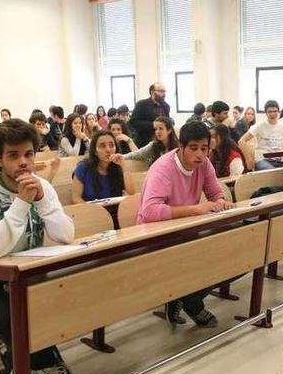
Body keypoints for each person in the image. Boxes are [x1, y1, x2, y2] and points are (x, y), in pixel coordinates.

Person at [0, 119, 74, 374]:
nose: (23, 162)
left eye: (28, 154)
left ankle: (13, 355)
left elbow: (65, 234)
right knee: (19, 324)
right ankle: (41, 361)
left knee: (58, 308)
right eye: (13, 156)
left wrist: (42, 201)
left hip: (28, 270)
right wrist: (22, 203)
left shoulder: (42, 187)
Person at [137, 120, 233, 327]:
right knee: (209, 256)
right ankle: (191, 303)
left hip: (185, 230)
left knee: (233, 251)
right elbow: (150, 211)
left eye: (204, 149)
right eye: (194, 148)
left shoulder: (204, 164)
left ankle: (187, 298)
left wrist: (221, 202)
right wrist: (196, 209)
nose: (200, 154)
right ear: (181, 147)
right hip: (154, 235)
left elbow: (215, 193)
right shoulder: (162, 168)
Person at [71, 131, 134, 203]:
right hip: (91, 211)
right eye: (102, 146)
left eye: (111, 145)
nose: (108, 150)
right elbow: (76, 198)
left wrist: (124, 166)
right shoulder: (83, 168)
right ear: (95, 151)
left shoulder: (118, 167)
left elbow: (131, 193)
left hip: (115, 210)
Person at [239, 100, 283, 170]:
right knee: (273, 173)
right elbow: (241, 141)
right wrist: (249, 160)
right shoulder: (259, 125)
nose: (272, 114)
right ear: (266, 113)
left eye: (275, 111)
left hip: (280, 160)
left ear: (278, 112)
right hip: (263, 160)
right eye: (270, 111)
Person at [113, 116, 178, 166]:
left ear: (169, 130)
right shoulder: (153, 145)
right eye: (155, 129)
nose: (157, 132)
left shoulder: (178, 147)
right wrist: (122, 157)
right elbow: (138, 154)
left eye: (161, 128)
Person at [129, 83, 170, 148]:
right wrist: (153, 125)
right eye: (160, 91)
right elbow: (133, 122)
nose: (163, 94)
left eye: (164, 91)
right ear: (152, 92)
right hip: (145, 142)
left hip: (162, 143)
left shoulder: (166, 106)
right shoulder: (141, 104)